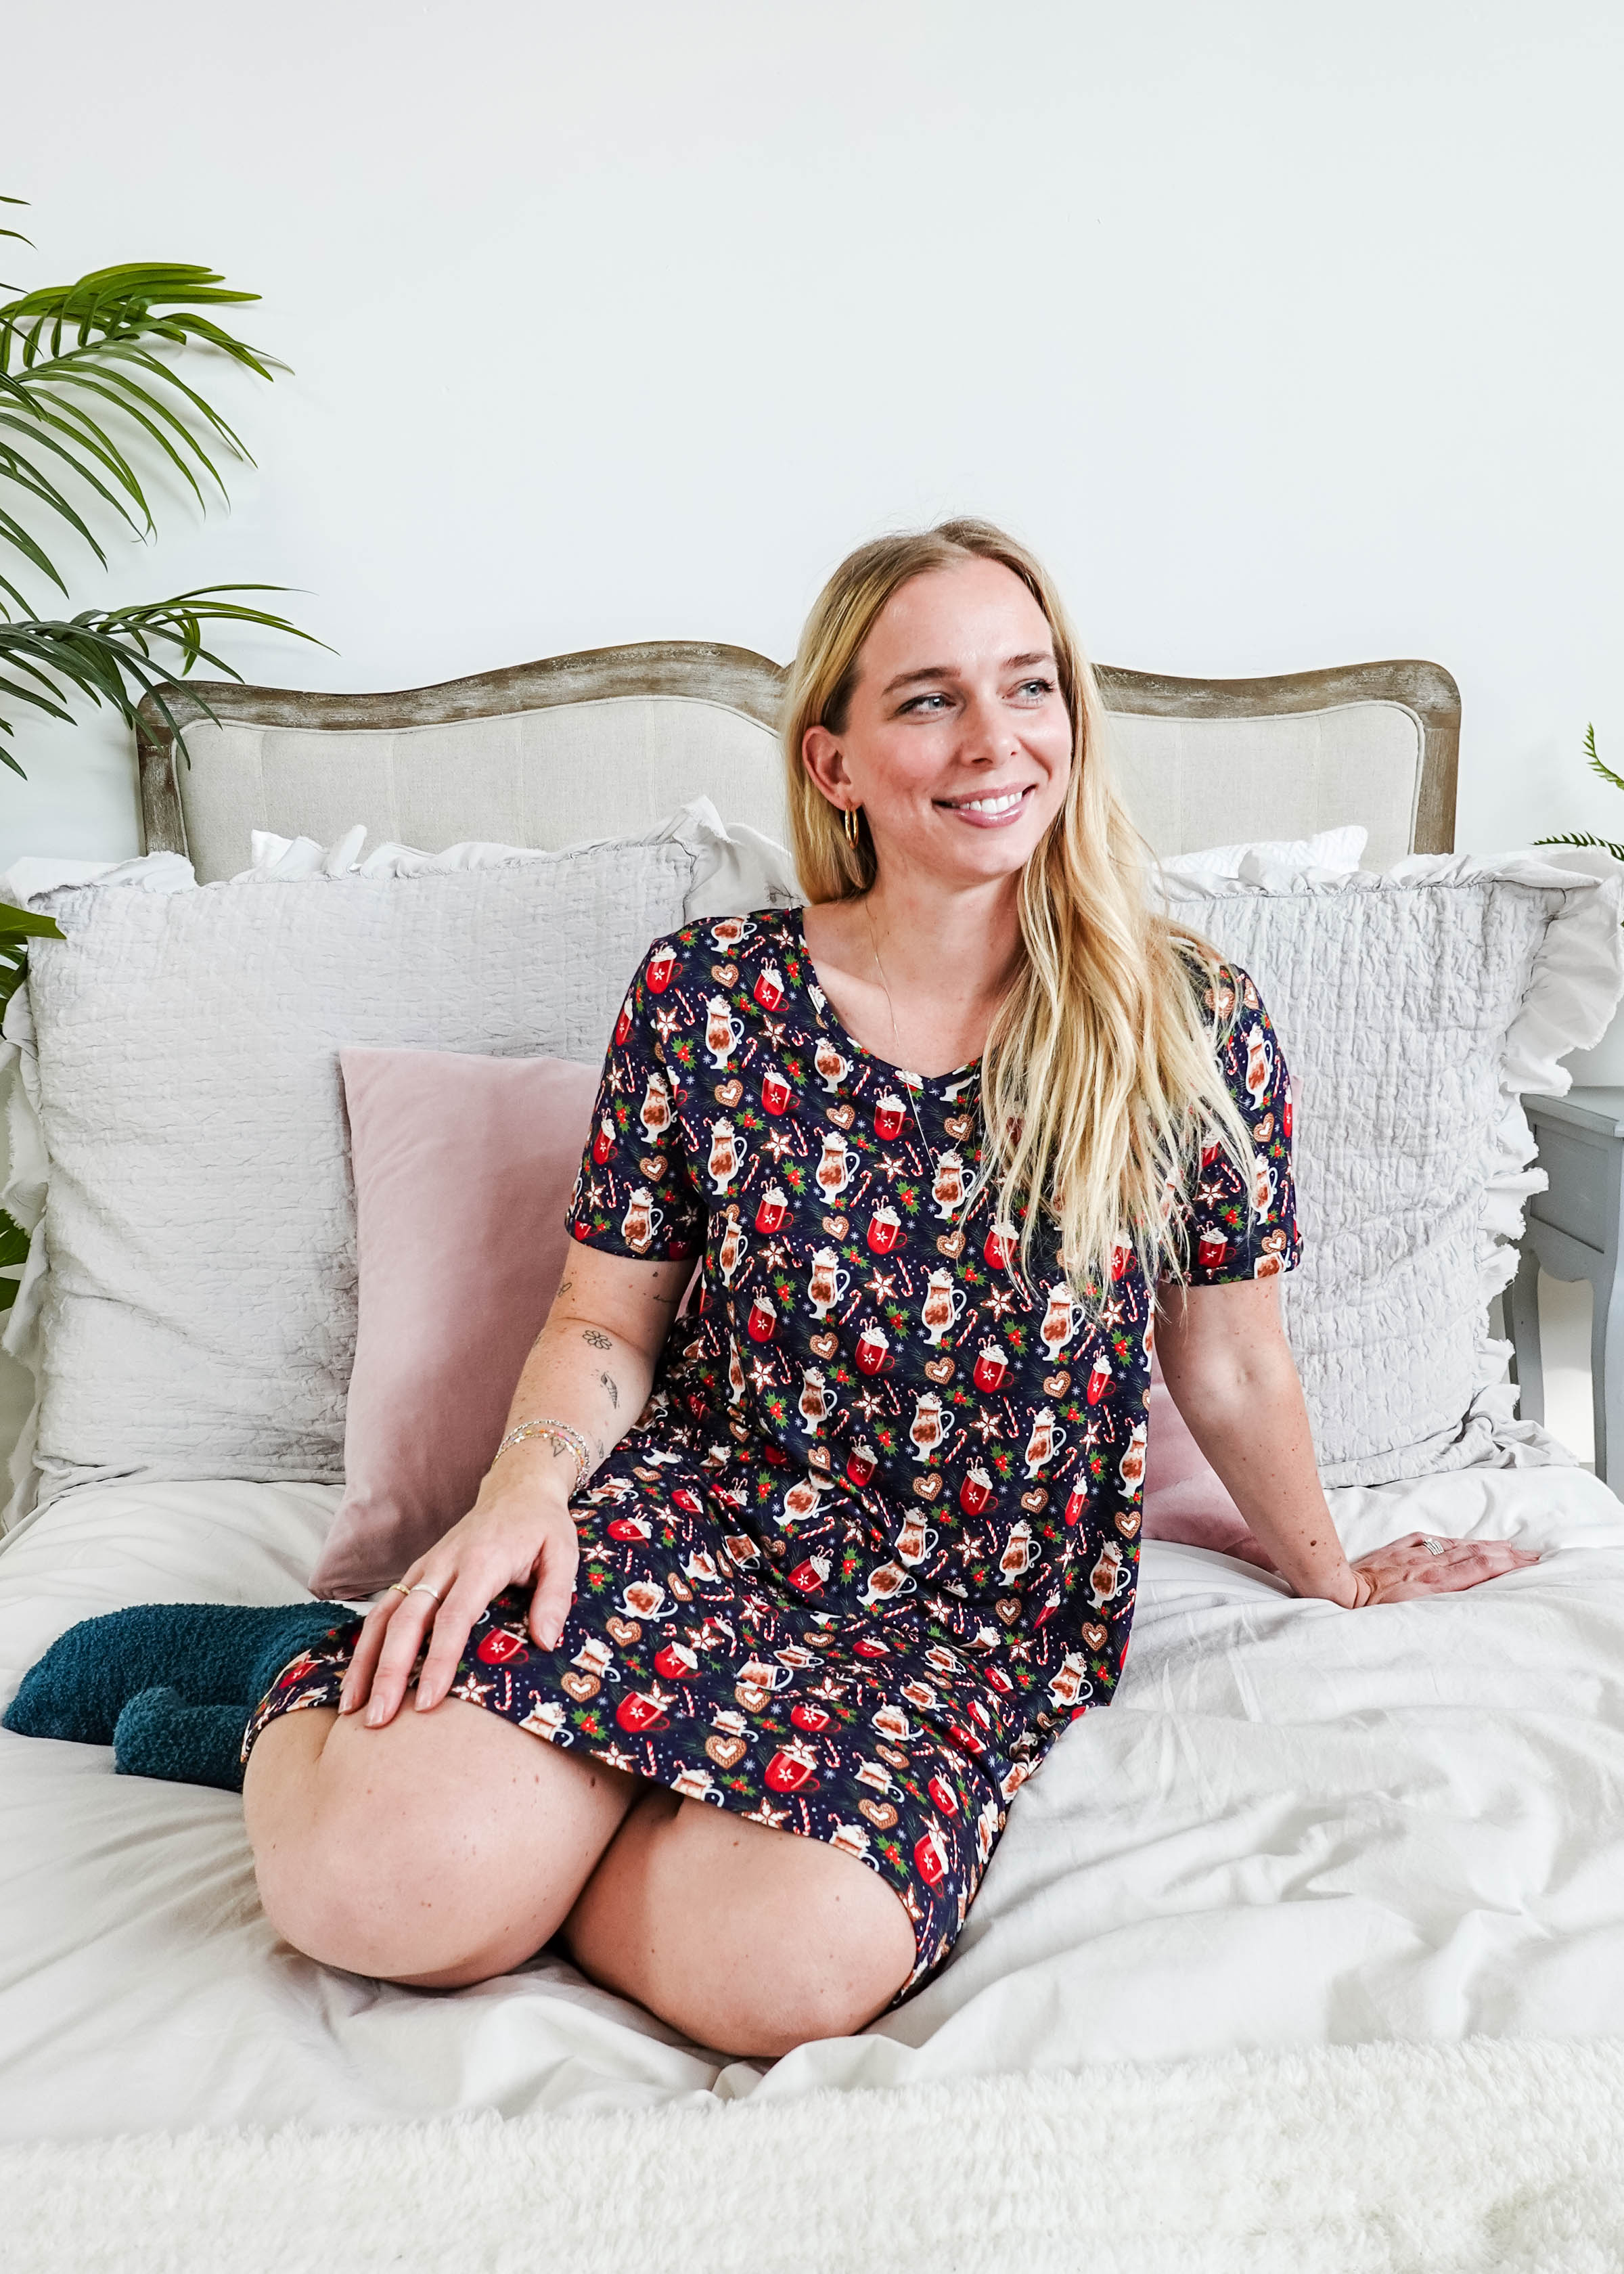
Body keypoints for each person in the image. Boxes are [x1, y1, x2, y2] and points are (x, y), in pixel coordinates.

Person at [46, 520, 1541, 2059]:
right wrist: (518, 1501)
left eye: (1030, 687)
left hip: (973, 1604)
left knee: (782, 1975)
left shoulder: (1187, 1021)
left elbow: (1229, 1364)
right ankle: (296, 1680)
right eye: (928, 699)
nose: (995, 739)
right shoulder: (710, 994)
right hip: (708, 1510)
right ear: (835, 764)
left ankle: (517, 1803)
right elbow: (604, 1321)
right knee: (386, 1895)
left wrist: (1336, 1573)